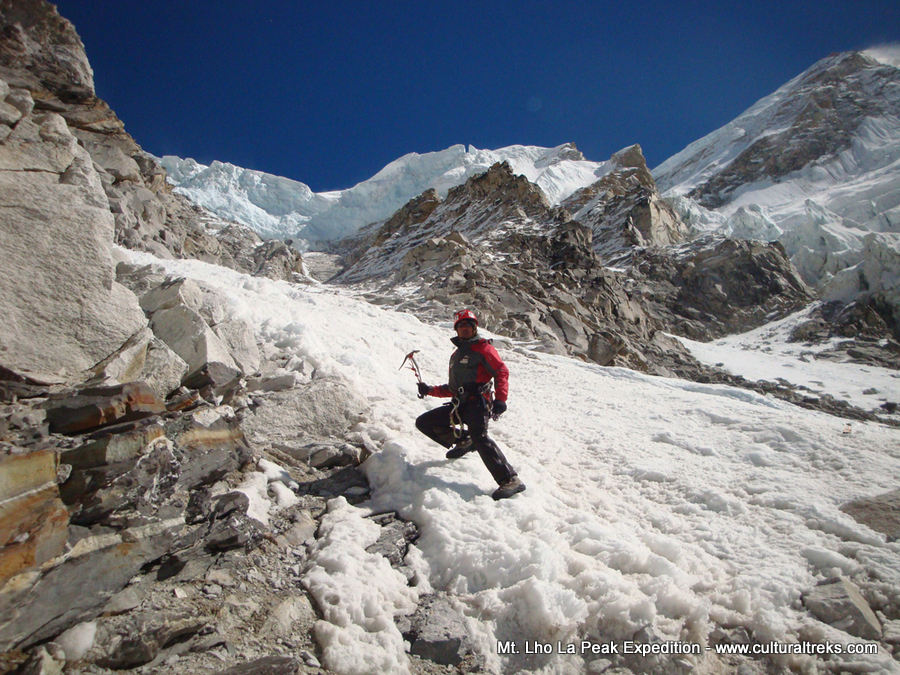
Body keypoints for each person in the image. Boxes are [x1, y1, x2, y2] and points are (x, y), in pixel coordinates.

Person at [415, 309, 526, 500]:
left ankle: (510, 479)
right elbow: (452, 388)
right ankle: (464, 441)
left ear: (475, 328)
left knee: (480, 437)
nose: (465, 329)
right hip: (460, 405)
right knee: (424, 422)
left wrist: (501, 399)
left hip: (478, 404)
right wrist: (429, 390)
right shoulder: (456, 355)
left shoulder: (483, 348)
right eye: (461, 326)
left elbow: (501, 371)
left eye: (468, 325)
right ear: (456, 330)